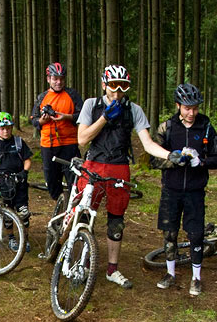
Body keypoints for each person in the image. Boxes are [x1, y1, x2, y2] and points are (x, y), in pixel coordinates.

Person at [76, 64, 182, 289]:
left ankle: (112, 269)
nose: (117, 92)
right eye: (113, 86)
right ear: (104, 85)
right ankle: (82, 263)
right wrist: (104, 118)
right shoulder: (91, 105)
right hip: (93, 165)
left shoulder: (134, 110)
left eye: (123, 87)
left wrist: (169, 155)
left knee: (116, 222)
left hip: (119, 167)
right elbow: (82, 139)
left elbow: (148, 144)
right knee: (84, 215)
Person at [151, 82, 217, 296]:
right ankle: (170, 273)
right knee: (169, 232)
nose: (191, 113)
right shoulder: (167, 127)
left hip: (195, 190)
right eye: (187, 108)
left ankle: (196, 277)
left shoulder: (206, 126)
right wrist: (173, 160)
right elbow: (153, 159)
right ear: (178, 106)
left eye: (195, 108)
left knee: (196, 233)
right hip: (171, 190)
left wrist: (201, 162)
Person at [29, 62, 84, 203]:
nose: (58, 82)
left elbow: (83, 115)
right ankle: (59, 203)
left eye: (61, 79)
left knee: (74, 178)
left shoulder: (73, 95)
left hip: (69, 144)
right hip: (48, 145)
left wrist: (67, 117)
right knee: (52, 180)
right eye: (55, 79)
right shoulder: (42, 97)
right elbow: (33, 119)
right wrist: (42, 121)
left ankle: (75, 207)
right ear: (48, 79)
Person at [0, 111, 33, 248]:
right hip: (3, 182)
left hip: (19, 182)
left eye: (8, 128)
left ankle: (25, 238)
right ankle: (11, 237)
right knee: (7, 213)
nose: (6, 131)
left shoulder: (19, 142)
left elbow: (27, 160)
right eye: (2, 129)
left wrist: (24, 172)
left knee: (24, 212)